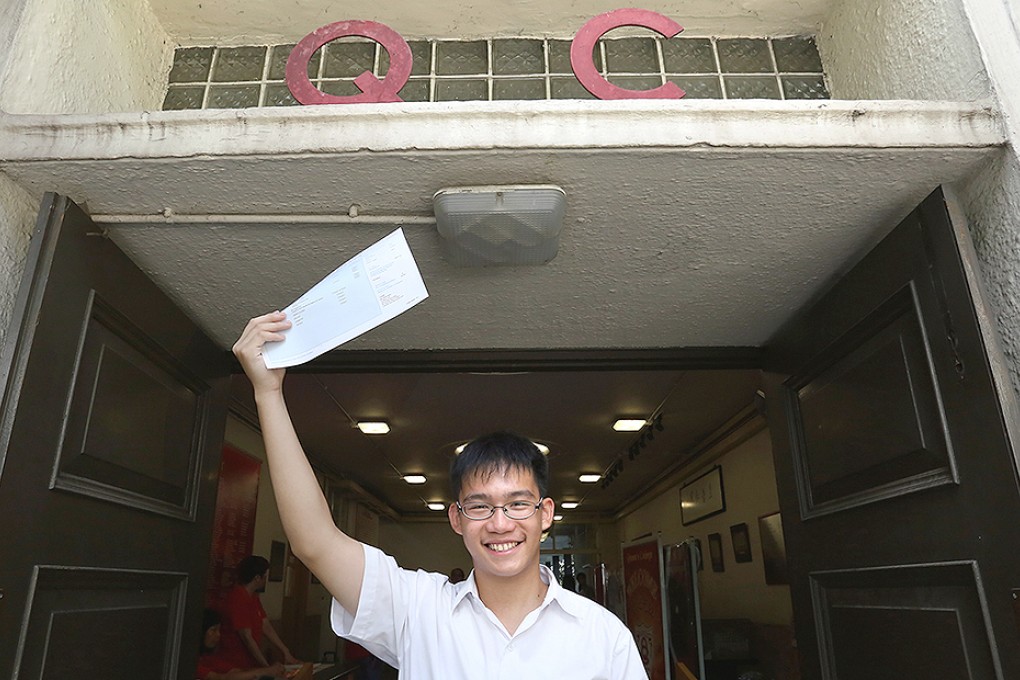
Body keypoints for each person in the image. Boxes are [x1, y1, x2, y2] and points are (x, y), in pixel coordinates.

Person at [233, 311, 647, 679]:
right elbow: (314, 542)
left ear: (545, 514)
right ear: (456, 518)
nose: (500, 523)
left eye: (518, 503)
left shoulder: (602, 635)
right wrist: (267, 394)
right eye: (480, 505)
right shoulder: (418, 610)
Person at [218, 555, 300, 670]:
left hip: (250, 662)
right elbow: (247, 637)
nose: (265, 580)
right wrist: (266, 667)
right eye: (265, 576)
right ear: (257, 578)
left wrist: (285, 650)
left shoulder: (253, 597)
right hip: (235, 664)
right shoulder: (238, 598)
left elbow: (265, 626)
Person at [197, 608, 287, 680]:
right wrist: (267, 671)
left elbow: (235, 671)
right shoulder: (193, 662)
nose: (218, 635)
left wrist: (271, 671)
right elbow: (221, 678)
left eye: (219, 630)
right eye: (213, 630)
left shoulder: (208, 657)